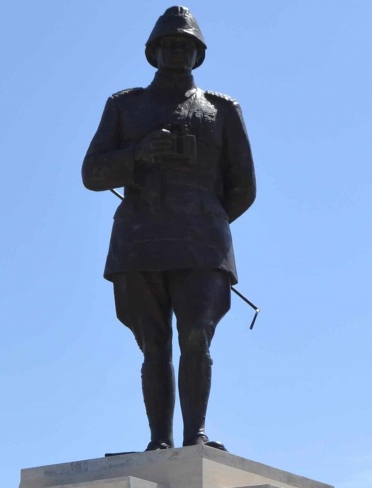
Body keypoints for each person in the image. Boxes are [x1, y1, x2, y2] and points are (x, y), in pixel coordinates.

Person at [81, 5, 257, 451]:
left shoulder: (223, 110)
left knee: (197, 333)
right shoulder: (125, 107)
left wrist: (204, 217)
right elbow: (92, 173)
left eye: (187, 45)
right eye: (169, 44)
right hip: (140, 241)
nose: (178, 52)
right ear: (153, 51)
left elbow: (244, 187)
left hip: (202, 243)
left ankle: (194, 434)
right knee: (153, 342)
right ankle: (159, 441)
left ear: (198, 54)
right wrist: (138, 153)